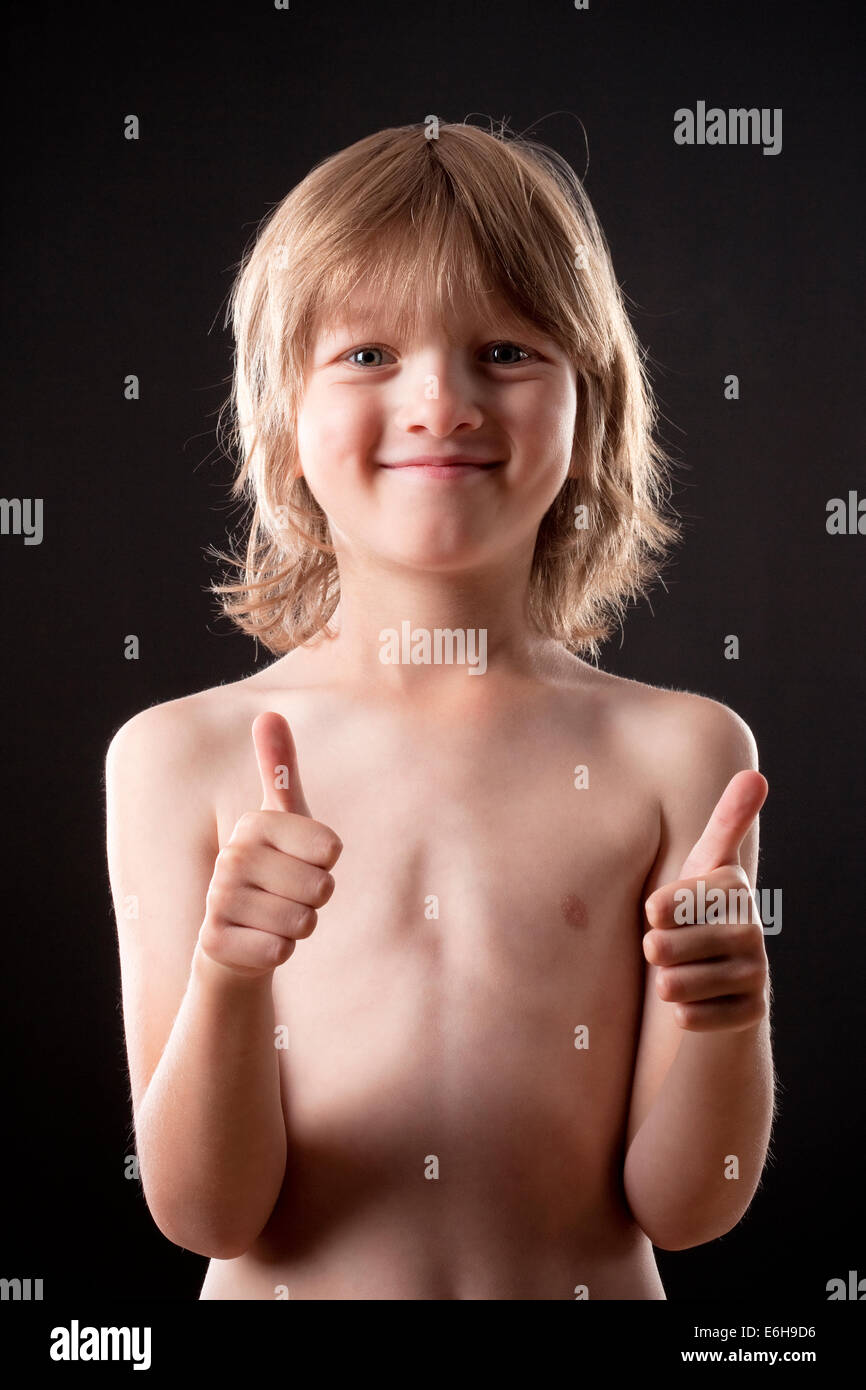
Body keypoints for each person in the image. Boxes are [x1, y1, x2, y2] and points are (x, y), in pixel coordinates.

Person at [105, 120, 776, 1300]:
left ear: (590, 407)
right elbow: (206, 1209)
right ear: (282, 417)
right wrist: (229, 970)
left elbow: (685, 1208)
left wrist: (725, 1017)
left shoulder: (680, 751)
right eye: (367, 354)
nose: (440, 402)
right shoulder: (180, 755)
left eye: (506, 350)